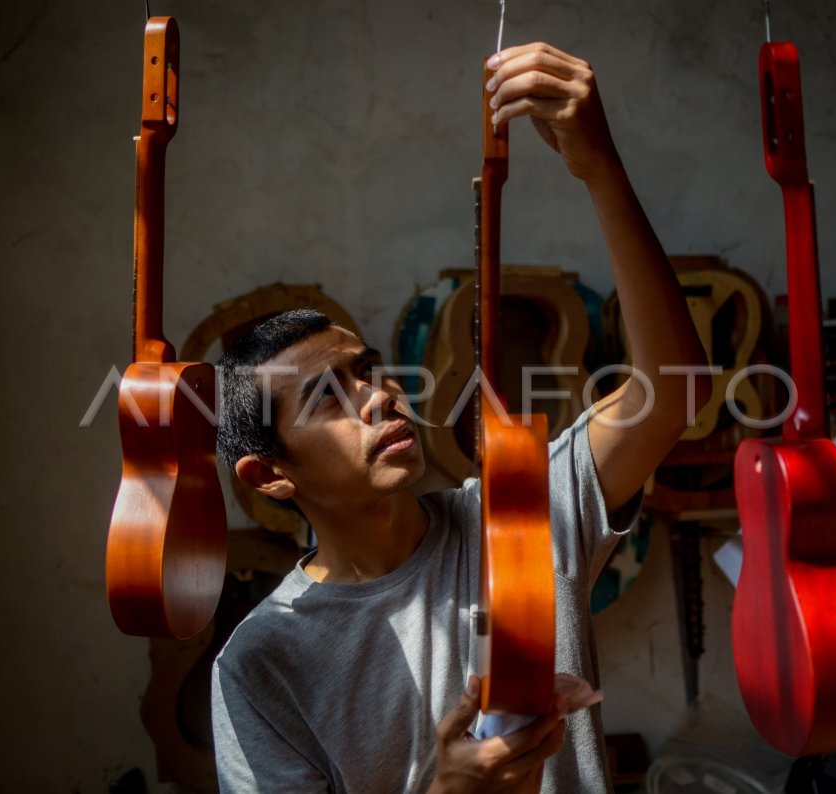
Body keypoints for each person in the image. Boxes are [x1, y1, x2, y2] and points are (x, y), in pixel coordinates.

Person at [210, 42, 709, 793]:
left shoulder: (521, 514)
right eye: (327, 397)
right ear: (270, 475)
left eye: (368, 370)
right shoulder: (261, 663)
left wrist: (599, 169)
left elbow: (671, 396)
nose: (379, 395)